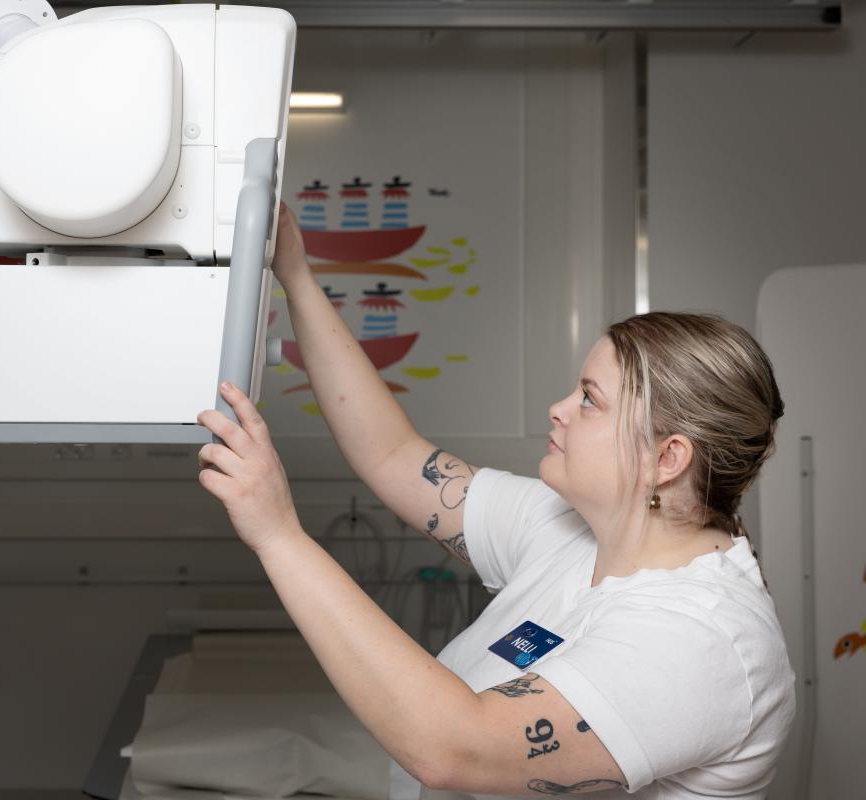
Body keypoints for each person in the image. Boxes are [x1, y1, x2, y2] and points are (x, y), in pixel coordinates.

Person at [195, 203, 795, 799]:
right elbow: (394, 456)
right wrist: (295, 273)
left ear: (666, 459)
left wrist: (279, 536)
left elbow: (453, 749)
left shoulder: (702, 641)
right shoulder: (570, 529)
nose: (557, 409)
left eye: (589, 399)